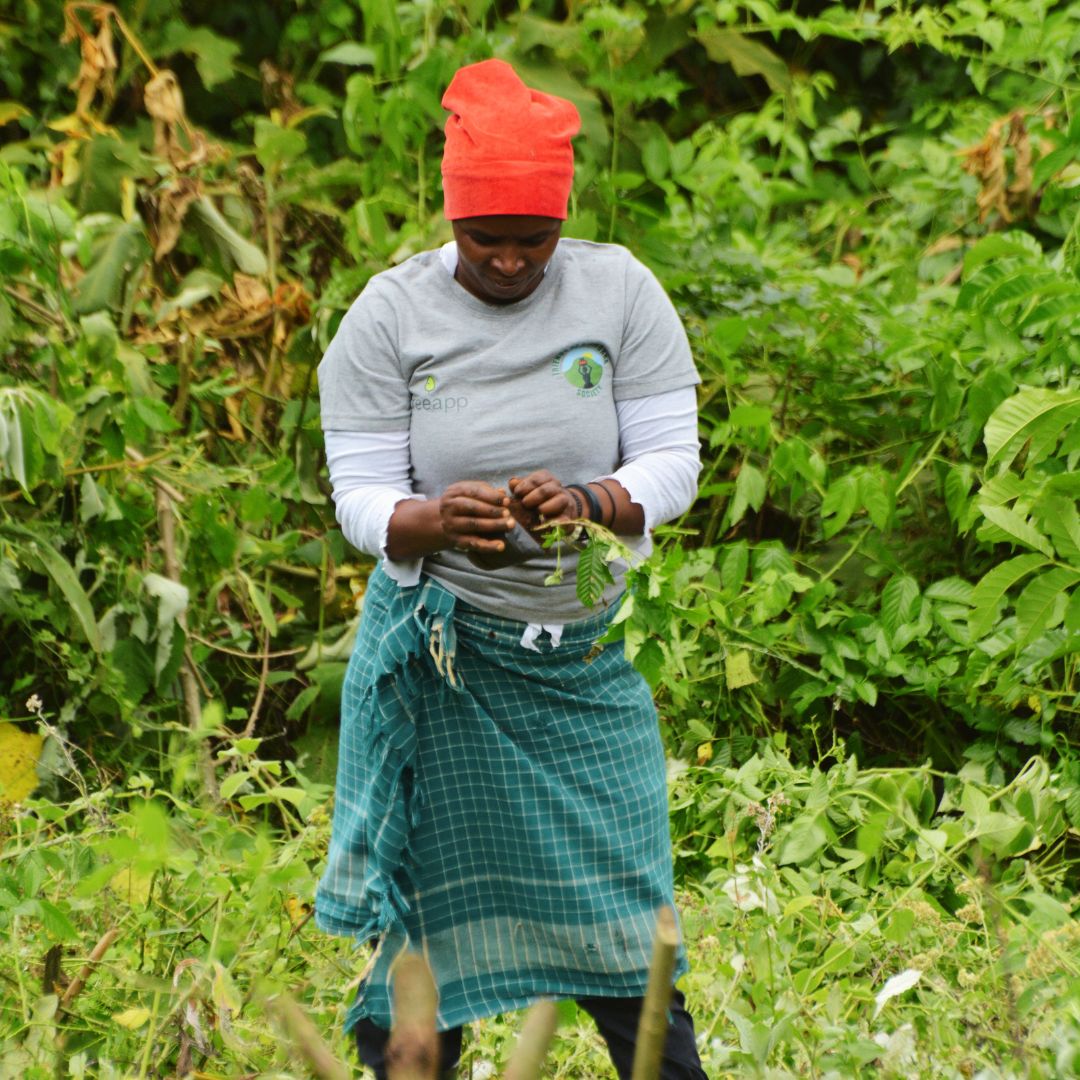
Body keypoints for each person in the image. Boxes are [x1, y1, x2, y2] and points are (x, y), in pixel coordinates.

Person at [314, 58, 706, 1080]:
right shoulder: (390, 315)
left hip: (581, 669)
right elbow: (356, 492)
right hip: (442, 666)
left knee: (630, 920)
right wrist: (431, 521)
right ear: (452, 221)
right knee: (427, 924)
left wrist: (591, 503)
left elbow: (673, 460)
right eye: (484, 240)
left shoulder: (618, 288)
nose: (507, 263)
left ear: (562, 220)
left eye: (532, 242)